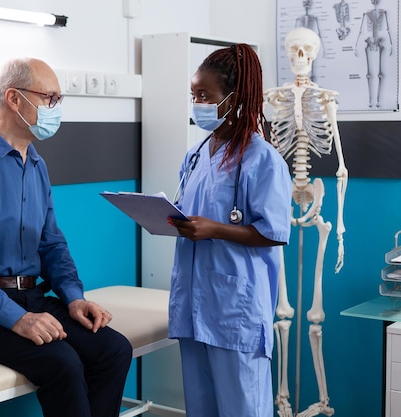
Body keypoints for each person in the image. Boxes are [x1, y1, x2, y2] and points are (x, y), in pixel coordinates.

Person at [0, 57, 132, 417]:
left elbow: (51, 243)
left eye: (58, 100)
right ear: (14, 98)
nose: (55, 108)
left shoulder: (36, 164)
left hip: (29, 295)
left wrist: (73, 298)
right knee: (63, 363)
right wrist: (16, 318)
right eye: (48, 98)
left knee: (113, 350)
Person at [167, 44, 292, 417]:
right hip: (193, 301)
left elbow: (273, 232)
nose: (196, 103)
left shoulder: (261, 158)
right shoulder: (196, 154)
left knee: (243, 408)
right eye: (193, 95)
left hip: (234, 307)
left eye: (204, 95)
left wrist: (216, 230)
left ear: (233, 98)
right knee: (201, 408)